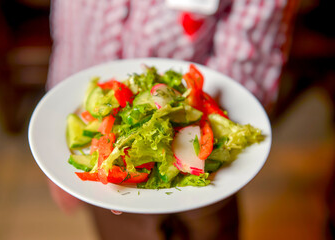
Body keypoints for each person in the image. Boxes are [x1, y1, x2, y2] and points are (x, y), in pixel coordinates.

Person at [46, 1, 298, 239]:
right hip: (107, 170)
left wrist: (199, 124)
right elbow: (70, 34)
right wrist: (55, 142)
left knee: (210, 229)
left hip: (207, 173)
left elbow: (252, 49)